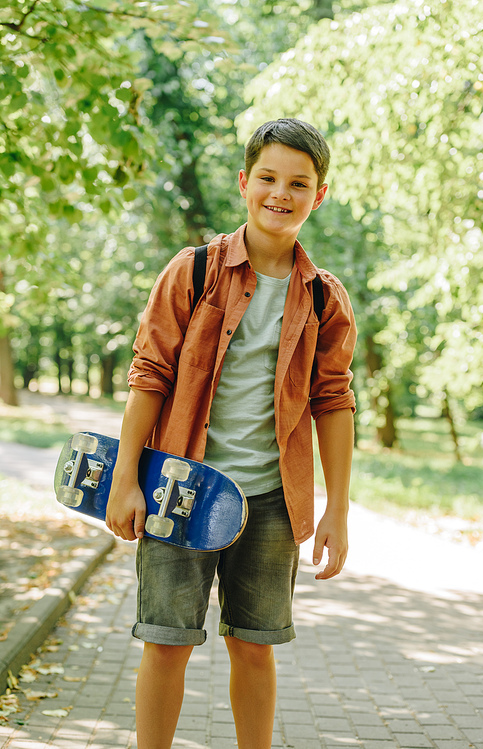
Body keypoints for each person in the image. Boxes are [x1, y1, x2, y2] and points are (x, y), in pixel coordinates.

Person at [105, 117, 357, 749]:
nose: (282, 193)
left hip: (271, 501)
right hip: (177, 490)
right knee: (165, 646)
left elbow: (334, 401)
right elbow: (149, 376)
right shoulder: (193, 272)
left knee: (254, 648)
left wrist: (337, 511)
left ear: (318, 194)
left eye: (299, 183)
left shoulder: (325, 297)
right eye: (268, 177)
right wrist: (124, 480)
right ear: (245, 182)